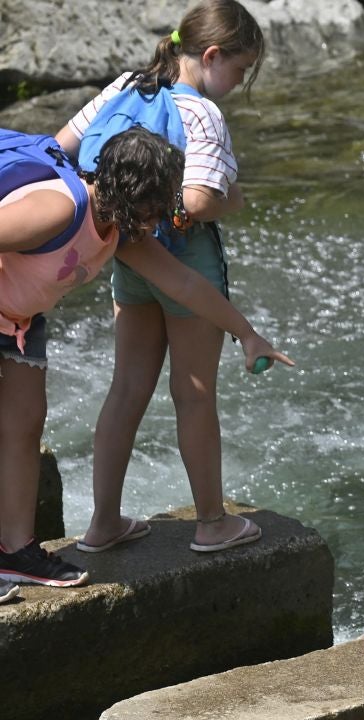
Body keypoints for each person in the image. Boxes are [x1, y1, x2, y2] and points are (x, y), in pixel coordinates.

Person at [0, 127, 290, 590]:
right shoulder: (61, 207)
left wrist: (247, 334)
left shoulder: (120, 232)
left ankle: (16, 553)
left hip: (21, 322)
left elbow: (186, 284)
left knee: (25, 425)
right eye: (159, 208)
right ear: (134, 194)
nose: (163, 221)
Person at [56, 0, 270, 555]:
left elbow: (62, 149)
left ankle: (102, 523)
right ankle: (212, 523)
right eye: (240, 69)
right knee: (194, 394)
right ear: (212, 54)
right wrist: (233, 199)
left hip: (125, 250)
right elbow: (196, 201)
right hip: (183, 258)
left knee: (126, 388)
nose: (238, 81)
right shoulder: (202, 113)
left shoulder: (126, 85)